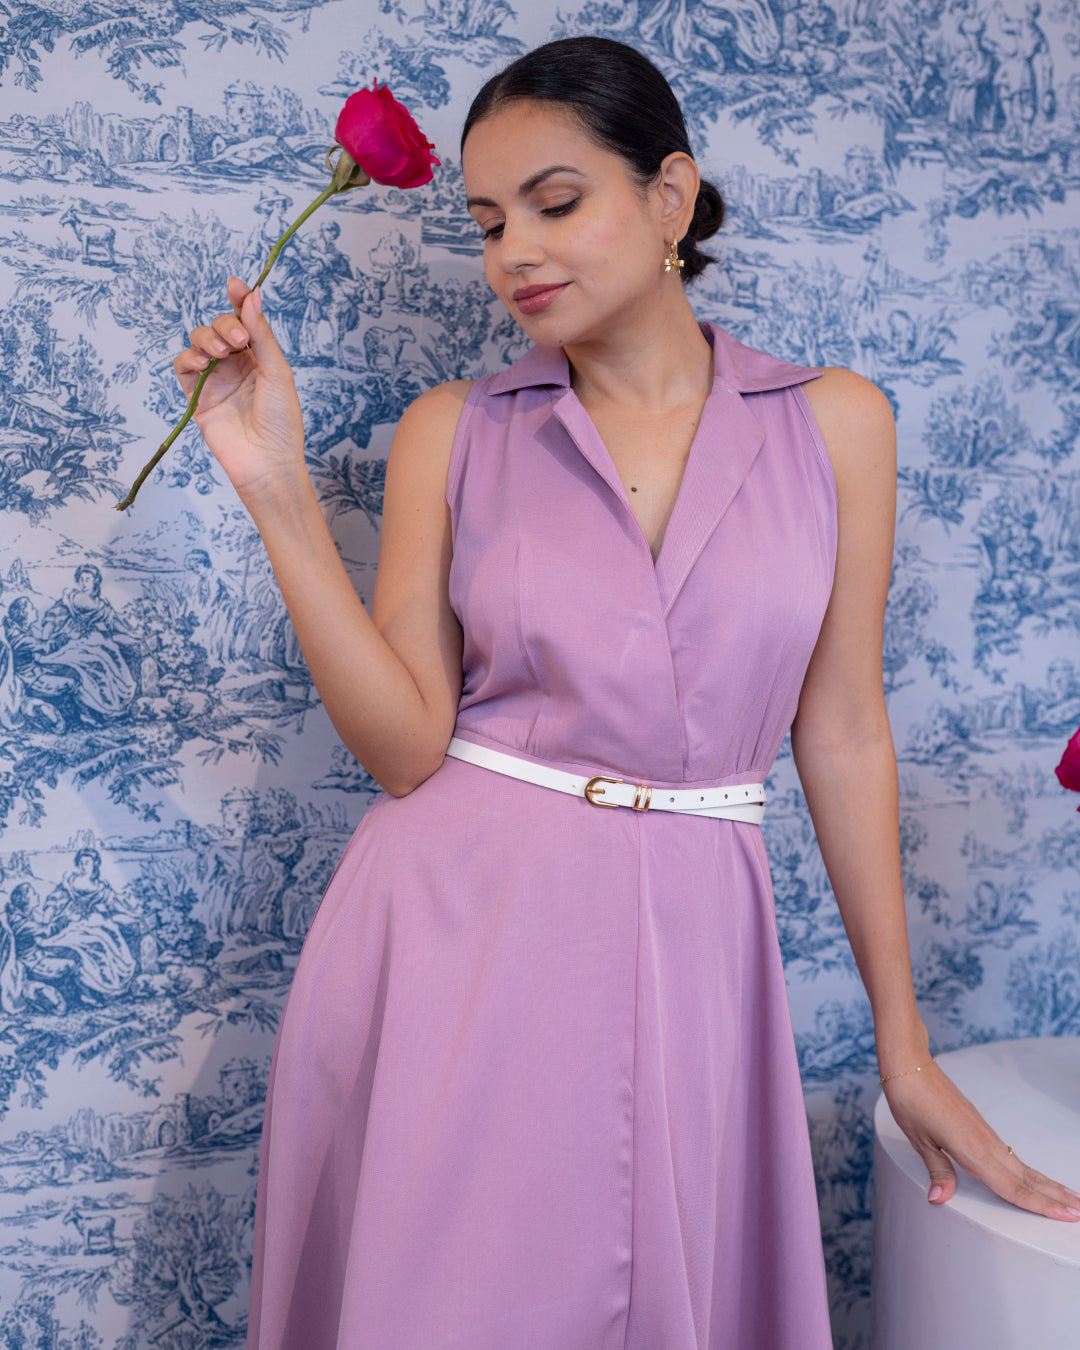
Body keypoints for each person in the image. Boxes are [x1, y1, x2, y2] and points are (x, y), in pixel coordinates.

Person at [172, 35, 1080, 1350]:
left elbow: (841, 732)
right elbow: (405, 745)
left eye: (555, 202)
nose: (516, 254)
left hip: (698, 938)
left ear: (670, 196)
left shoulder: (837, 423)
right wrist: (277, 490)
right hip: (455, 936)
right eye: (490, 223)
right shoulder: (455, 429)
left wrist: (906, 1048)